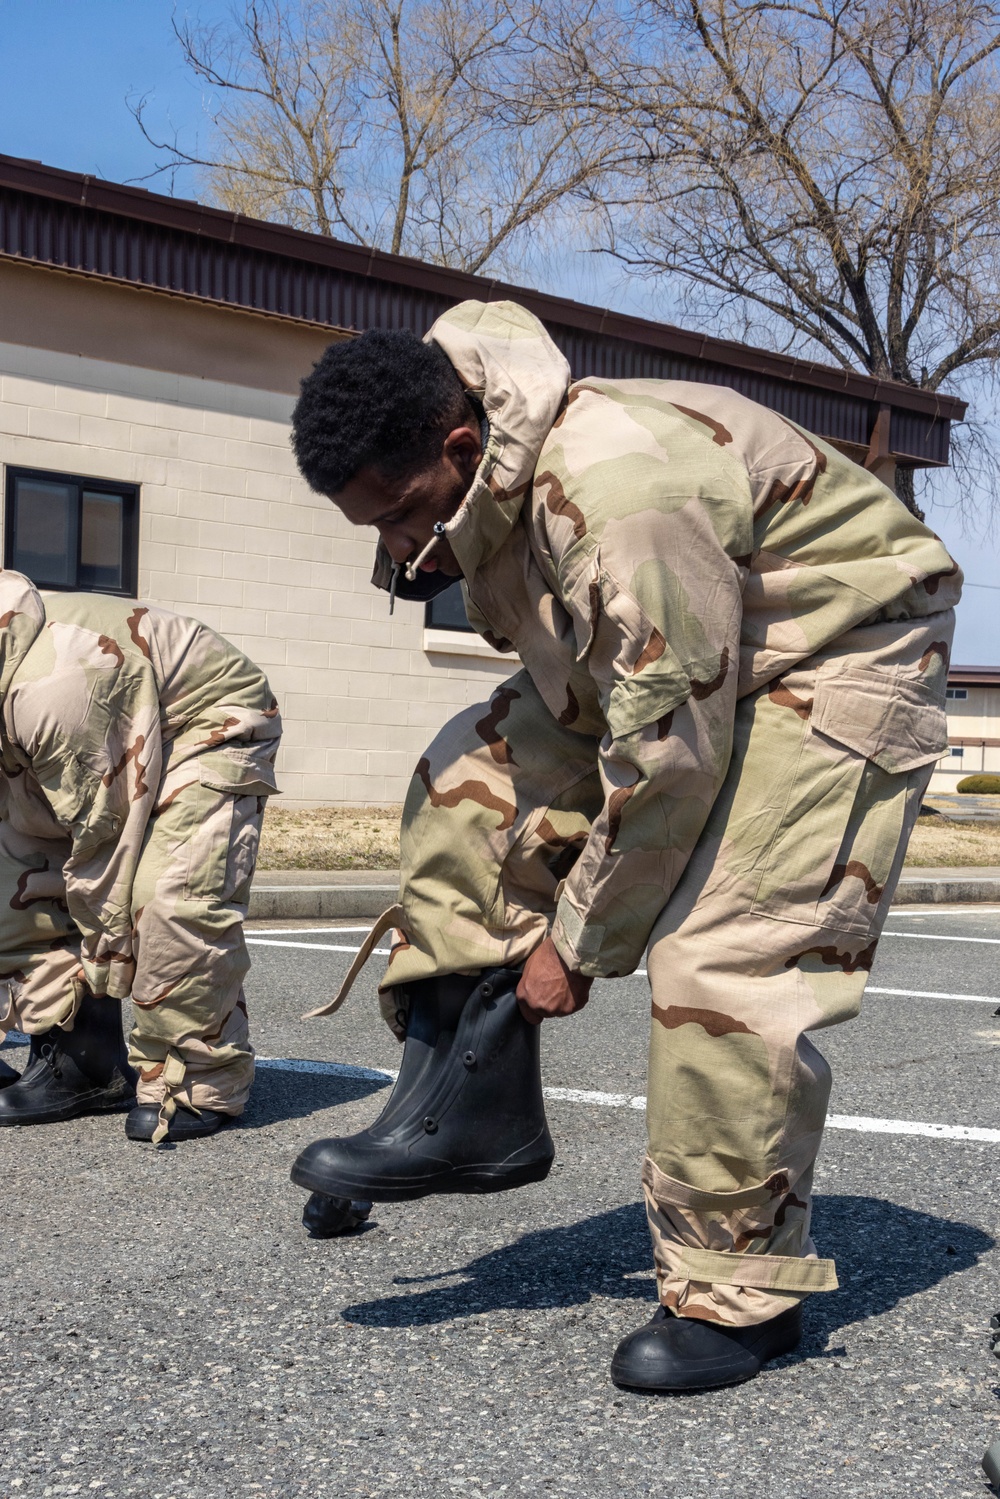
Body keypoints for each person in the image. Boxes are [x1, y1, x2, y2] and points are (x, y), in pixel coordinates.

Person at [286, 300, 960, 1391]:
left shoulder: (620, 495)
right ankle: (464, 1111)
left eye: (402, 514)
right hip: (684, 649)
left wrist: (578, 941)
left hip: (837, 648)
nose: (398, 547)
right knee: (463, 789)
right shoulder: (486, 482)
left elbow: (669, 755)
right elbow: (622, 681)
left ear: (462, 447)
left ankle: (735, 1291)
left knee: (721, 953)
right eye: (371, 527)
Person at [0, 571, 280, 1144]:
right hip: (80, 742)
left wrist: (104, 964)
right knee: (15, 886)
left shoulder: (54, 689)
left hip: (203, 723)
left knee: (166, 897)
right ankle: (82, 1068)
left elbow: (104, 848)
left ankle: (195, 1079)